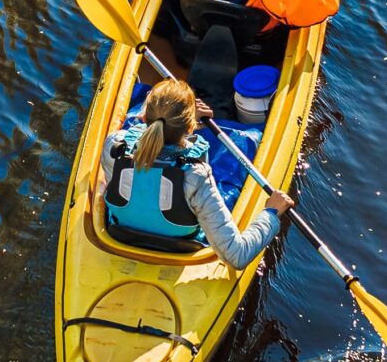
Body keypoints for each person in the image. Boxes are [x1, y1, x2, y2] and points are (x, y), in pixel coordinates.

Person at [103, 78, 293, 265]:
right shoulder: (195, 175)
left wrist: (185, 125)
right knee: (244, 142)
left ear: (144, 118)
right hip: (181, 245)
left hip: (121, 232)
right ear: (190, 127)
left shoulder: (114, 145)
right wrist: (271, 213)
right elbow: (237, 255)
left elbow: (147, 151)